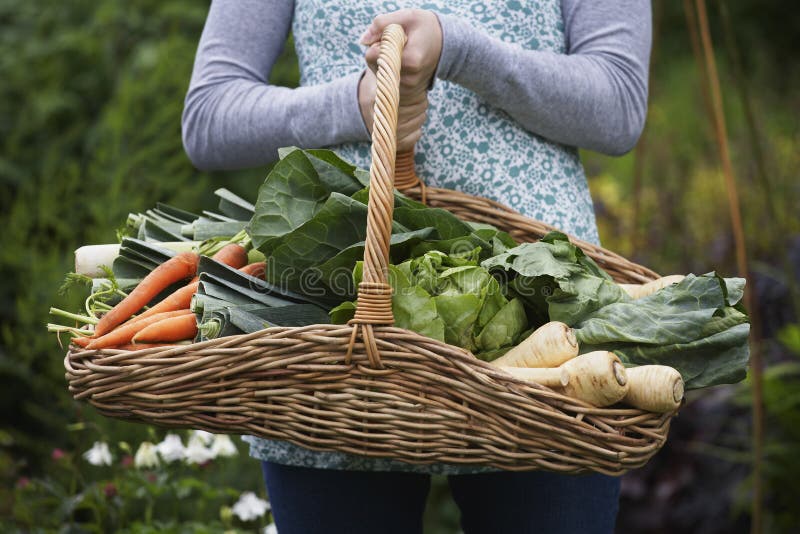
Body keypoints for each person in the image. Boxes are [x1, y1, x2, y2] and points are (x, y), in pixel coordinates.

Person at [182, 1, 651, 533]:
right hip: (336, 319)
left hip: (549, 327)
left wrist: (461, 51)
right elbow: (209, 117)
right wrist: (357, 103)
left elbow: (619, 105)